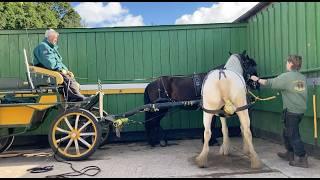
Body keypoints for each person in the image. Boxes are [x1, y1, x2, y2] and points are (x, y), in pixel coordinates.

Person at [250, 55, 308, 168]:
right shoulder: (301, 77)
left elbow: (270, 83)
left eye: (287, 62)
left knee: (293, 135)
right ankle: (290, 153)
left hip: (292, 111)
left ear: (291, 64)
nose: (286, 64)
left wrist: (256, 79)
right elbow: (295, 90)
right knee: (287, 133)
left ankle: (302, 158)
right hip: (300, 110)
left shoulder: (287, 77)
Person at [33, 29, 88, 102]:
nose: (56, 39)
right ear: (49, 37)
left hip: (52, 73)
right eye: (54, 37)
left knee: (69, 76)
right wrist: (61, 70)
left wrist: (67, 71)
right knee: (66, 78)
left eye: (56, 38)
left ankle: (74, 97)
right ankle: (75, 98)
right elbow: (50, 64)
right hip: (46, 75)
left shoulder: (50, 48)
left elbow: (59, 63)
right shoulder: (43, 47)